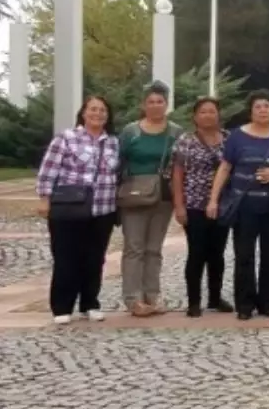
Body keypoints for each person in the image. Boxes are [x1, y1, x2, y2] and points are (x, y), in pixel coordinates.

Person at [207, 90, 269, 321]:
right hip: (244, 207)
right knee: (244, 255)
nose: (263, 110)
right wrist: (213, 199)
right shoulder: (237, 136)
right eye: (258, 106)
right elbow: (225, 168)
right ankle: (244, 304)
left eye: (267, 106)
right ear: (251, 110)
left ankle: (266, 302)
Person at [36, 95, 121, 325]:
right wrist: (44, 198)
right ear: (84, 113)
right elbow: (48, 170)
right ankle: (62, 306)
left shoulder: (112, 142)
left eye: (103, 110)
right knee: (66, 258)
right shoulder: (66, 138)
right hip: (69, 209)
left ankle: (90, 303)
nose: (98, 114)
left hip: (102, 208)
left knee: (95, 259)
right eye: (93, 109)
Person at [116, 81, 184, 316]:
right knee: (134, 247)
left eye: (160, 102)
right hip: (134, 194)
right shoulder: (131, 131)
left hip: (162, 196)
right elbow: (118, 161)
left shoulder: (175, 131)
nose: (155, 106)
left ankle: (152, 294)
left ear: (166, 104)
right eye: (151, 102)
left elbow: (180, 165)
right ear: (143, 105)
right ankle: (133, 298)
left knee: (154, 248)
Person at [171, 97, 233, 318]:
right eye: (203, 112)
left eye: (212, 111)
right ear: (195, 116)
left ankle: (215, 297)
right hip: (194, 204)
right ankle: (194, 301)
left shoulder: (228, 139)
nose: (208, 115)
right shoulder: (185, 141)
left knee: (217, 253)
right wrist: (179, 206)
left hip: (223, 204)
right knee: (197, 252)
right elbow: (177, 175)